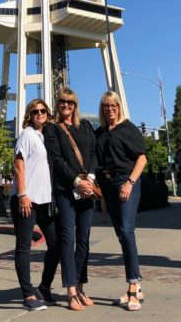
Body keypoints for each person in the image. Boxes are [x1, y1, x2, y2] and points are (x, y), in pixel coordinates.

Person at [44, 88, 98, 311]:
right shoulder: (52, 129)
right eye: (62, 102)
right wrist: (76, 181)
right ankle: (70, 291)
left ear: (75, 105)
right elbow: (56, 160)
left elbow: (94, 153)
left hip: (86, 191)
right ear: (57, 105)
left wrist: (91, 179)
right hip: (66, 191)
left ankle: (81, 285)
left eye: (70, 102)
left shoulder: (85, 126)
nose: (65, 105)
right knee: (68, 239)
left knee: (83, 239)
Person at [96, 90, 147, 312]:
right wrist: (103, 196)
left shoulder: (129, 129)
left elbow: (142, 158)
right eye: (106, 106)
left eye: (113, 105)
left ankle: (133, 285)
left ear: (119, 106)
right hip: (108, 186)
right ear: (102, 109)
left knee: (127, 232)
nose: (110, 109)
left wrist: (130, 183)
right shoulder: (99, 133)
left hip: (126, 182)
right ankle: (137, 284)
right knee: (120, 234)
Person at [10, 97, 60, 312]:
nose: (40, 114)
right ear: (29, 115)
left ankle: (44, 287)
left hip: (45, 201)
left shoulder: (46, 137)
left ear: (48, 114)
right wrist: (22, 194)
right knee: (24, 246)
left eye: (43, 111)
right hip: (27, 200)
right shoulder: (27, 135)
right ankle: (27, 294)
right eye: (35, 111)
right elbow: (19, 166)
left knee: (56, 244)